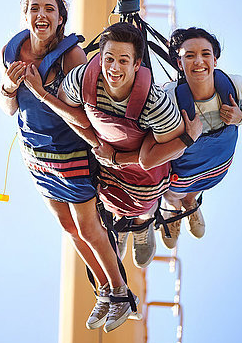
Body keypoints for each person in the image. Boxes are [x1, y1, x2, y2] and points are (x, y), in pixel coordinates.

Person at [0, 0, 140, 333]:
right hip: (36, 155)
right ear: (25, 15)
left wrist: (42, 93)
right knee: (66, 227)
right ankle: (104, 291)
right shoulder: (10, 53)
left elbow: (84, 114)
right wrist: (9, 87)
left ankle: (121, 291)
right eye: (35, 9)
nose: (41, 15)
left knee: (88, 227)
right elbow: (7, 107)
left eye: (49, 9)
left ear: (61, 17)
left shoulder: (70, 57)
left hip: (70, 153)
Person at [41, 22, 202, 268]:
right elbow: (70, 112)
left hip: (145, 170)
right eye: (109, 59)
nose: (114, 68)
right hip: (107, 164)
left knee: (145, 203)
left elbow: (174, 148)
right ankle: (121, 225)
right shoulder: (82, 80)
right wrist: (98, 145)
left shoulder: (155, 104)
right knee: (111, 201)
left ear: (137, 64)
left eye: (124, 61)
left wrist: (118, 157)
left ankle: (142, 225)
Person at [160, 27, 242, 249]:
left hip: (217, 166)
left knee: (195, 189)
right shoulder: (169, 97)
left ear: (215, 60)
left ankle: (190, 203)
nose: (199, 61)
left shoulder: (234, 86)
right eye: (189, 55)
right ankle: (174, 211)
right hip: (182, 169)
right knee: (171, 194)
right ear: (179, 63)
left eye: (205, 54)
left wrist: (240, 117)